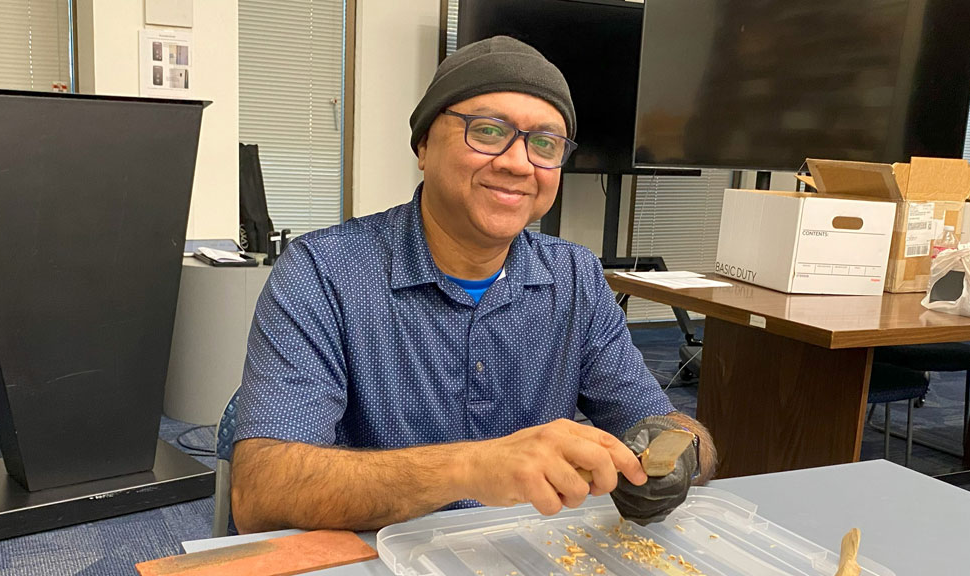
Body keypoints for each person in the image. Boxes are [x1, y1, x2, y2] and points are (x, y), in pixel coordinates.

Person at [230, 36, 716, 534]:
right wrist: (470, 468)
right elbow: (262, 491)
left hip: (525, 554)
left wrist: (674, 451)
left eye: (544, 143)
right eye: (487, 131)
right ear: (423, 145)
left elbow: (664, 424)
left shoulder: (577, 279)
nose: (518, 163)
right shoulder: (322, 272)